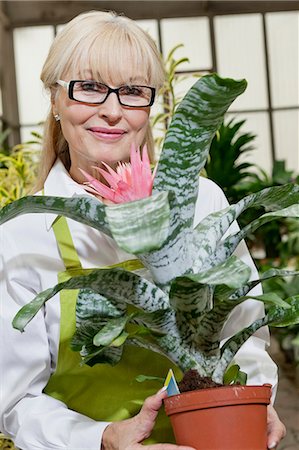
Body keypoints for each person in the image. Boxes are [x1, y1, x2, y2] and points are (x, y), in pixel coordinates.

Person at [0, 10, 286, 450]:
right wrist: (103, 438)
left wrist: (258, 399)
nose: (112, 111)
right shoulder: (24, 231)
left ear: (150, 105)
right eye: (90, 87)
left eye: (133, 91)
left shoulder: (200, 200)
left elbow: (245, 333)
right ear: (54, 99)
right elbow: (16, 401)